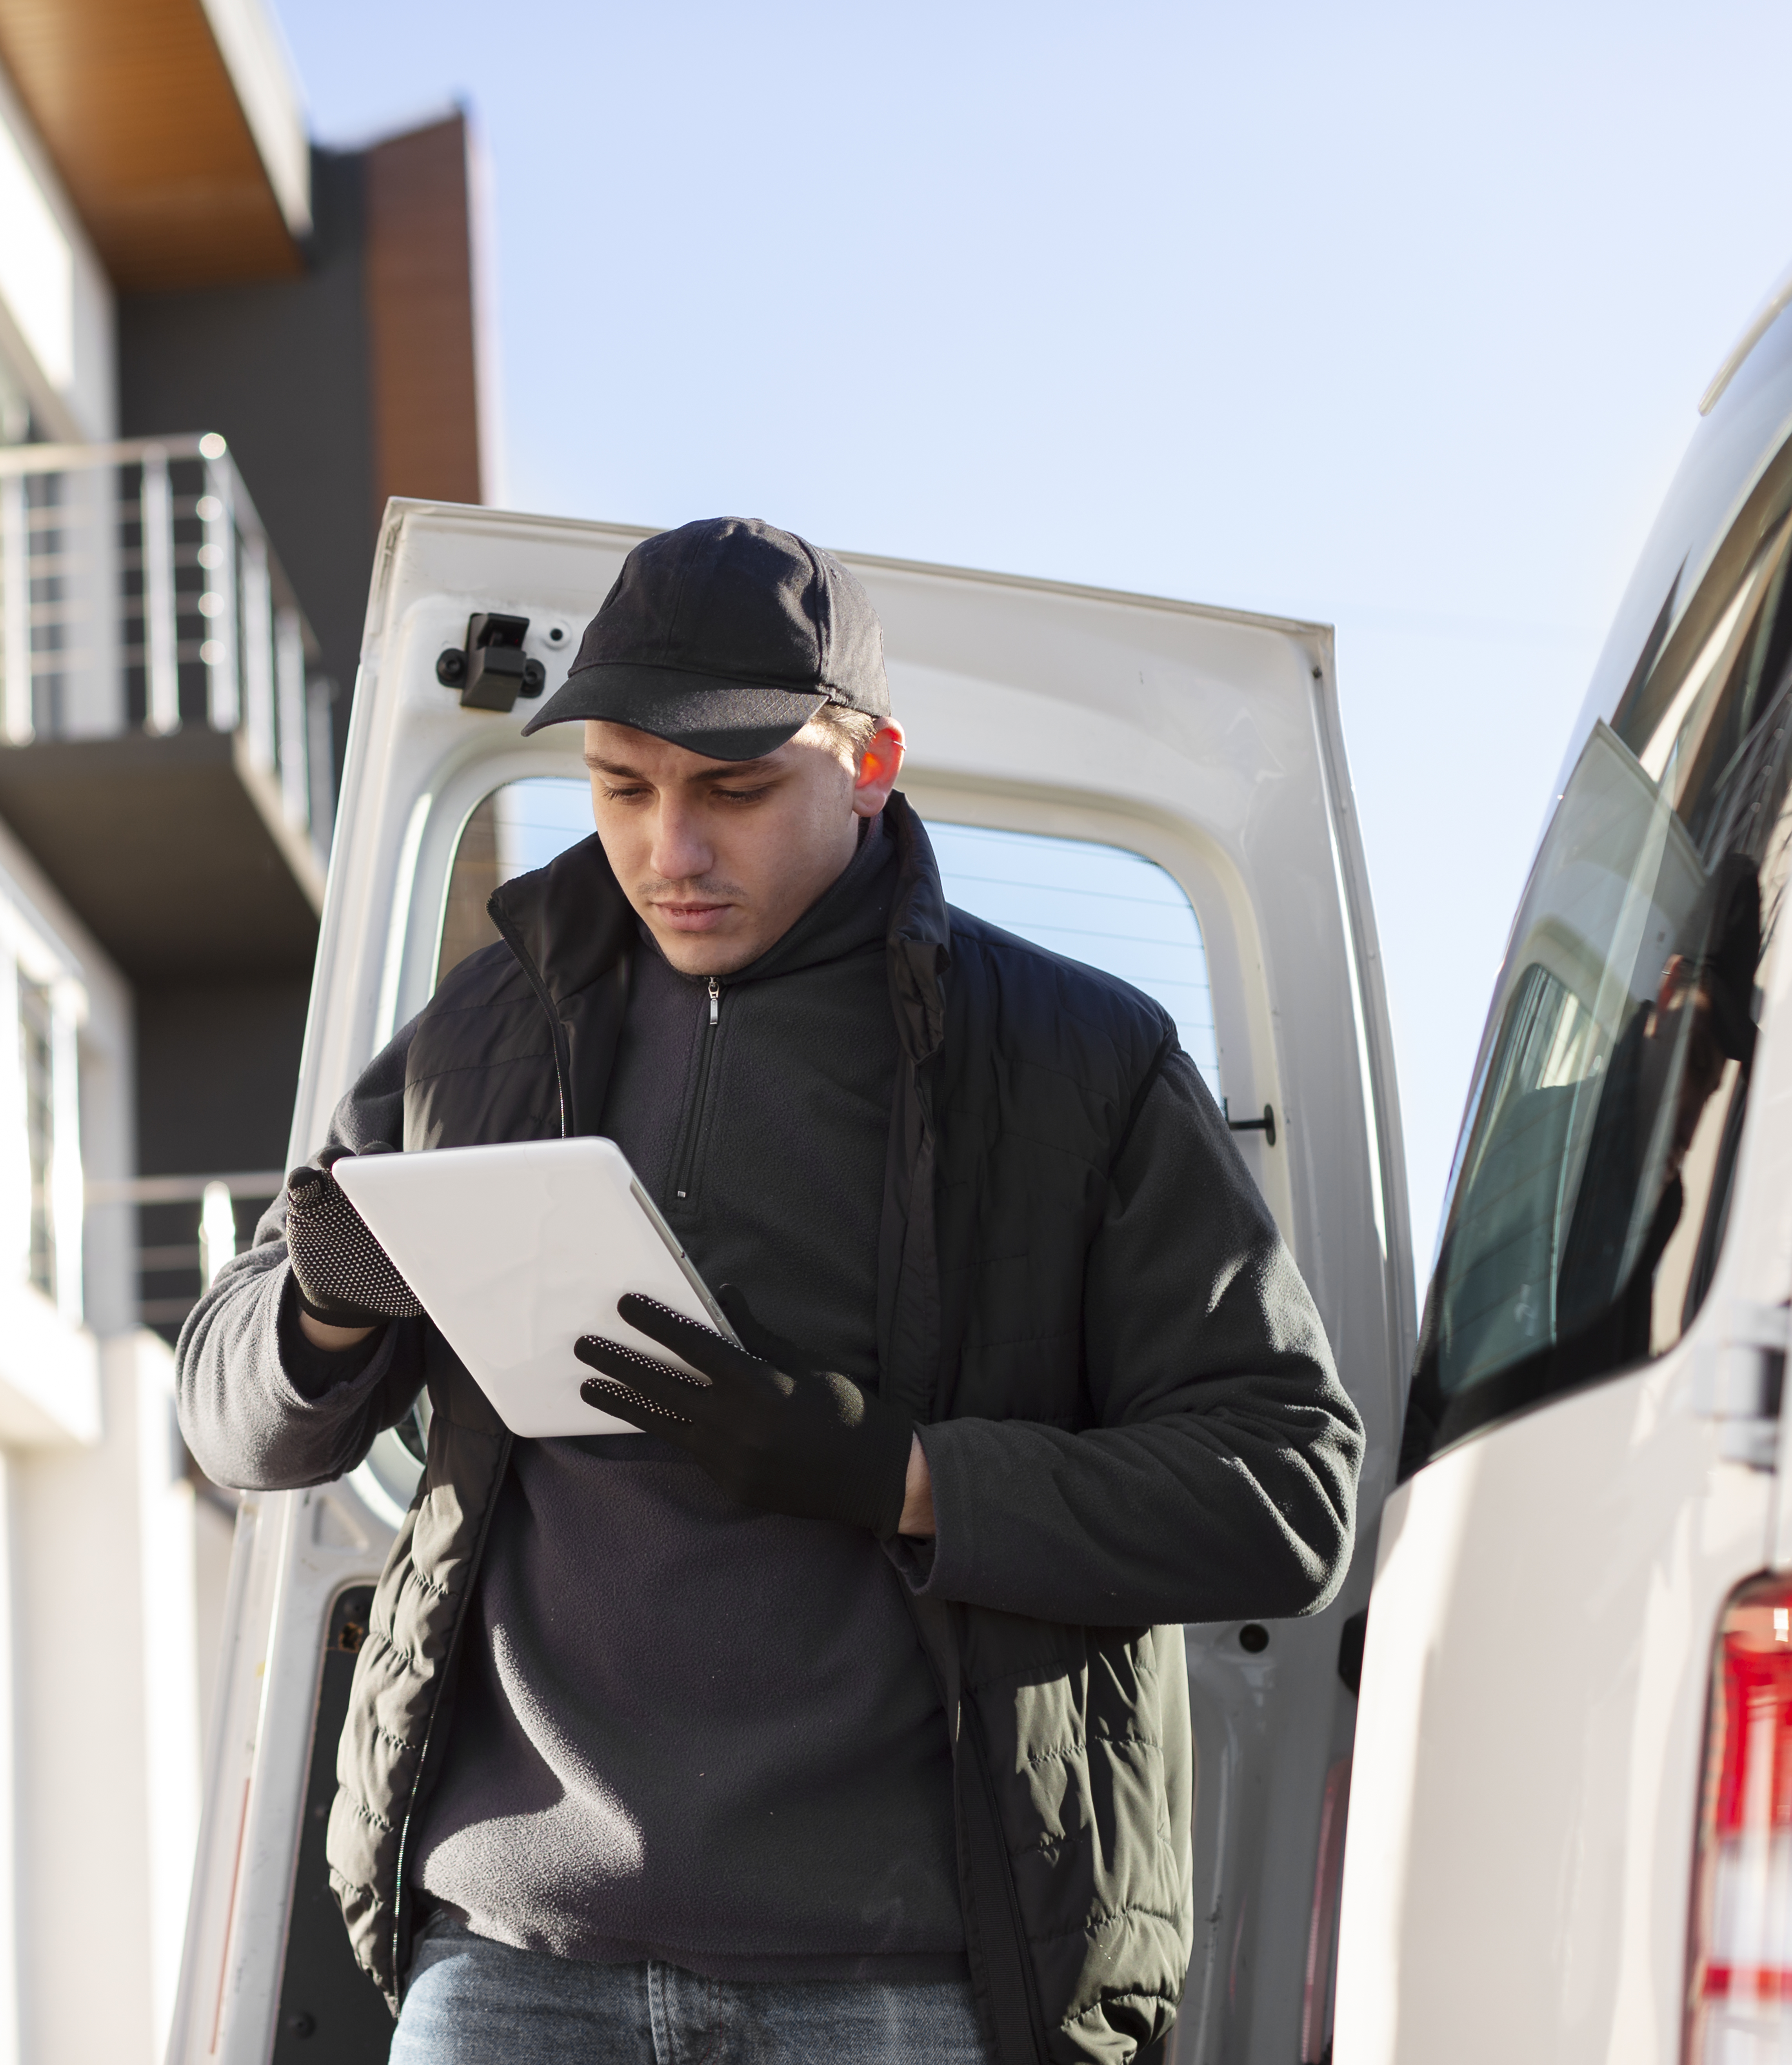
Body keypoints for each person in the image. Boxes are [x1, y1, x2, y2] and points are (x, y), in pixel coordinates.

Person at [176, 518, 1363, 2065]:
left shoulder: (1082, 1062)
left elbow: (1289, 1490)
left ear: (869, 765)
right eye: (621, 787)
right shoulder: (484, 1034)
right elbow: (232, 1425)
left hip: (913, 1977)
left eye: (733, 790)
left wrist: (904, 1474)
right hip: (514, 1962)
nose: (669, 848)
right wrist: (322, 1302)